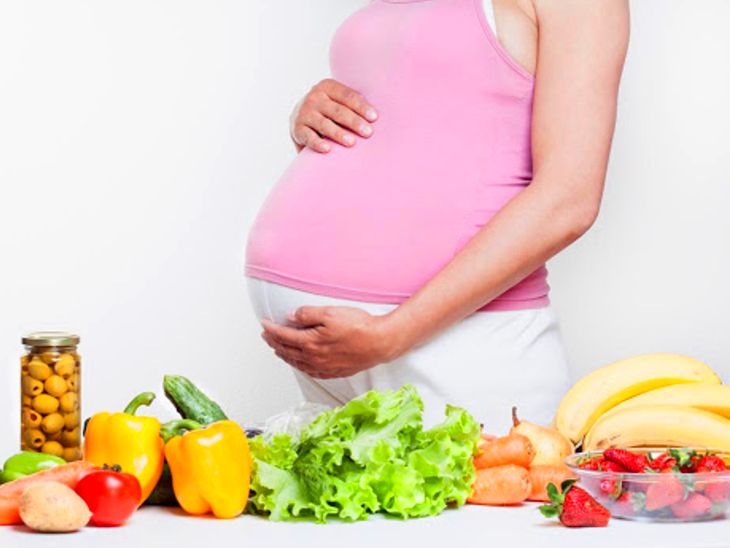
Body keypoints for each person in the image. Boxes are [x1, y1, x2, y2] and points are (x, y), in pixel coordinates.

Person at [246, 0, 629, 431]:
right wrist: (308, 115)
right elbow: (423, 113)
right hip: (342, 353)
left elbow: (569, 200)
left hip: (464, 347)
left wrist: (393, 333)